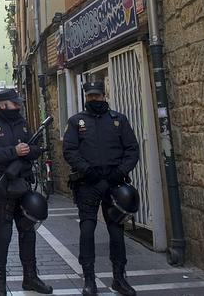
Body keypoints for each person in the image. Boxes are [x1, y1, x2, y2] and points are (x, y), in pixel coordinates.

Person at [63, 81, 140, 296]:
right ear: (86, 97)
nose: (94, 100)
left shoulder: (118, 120)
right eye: (90, 97)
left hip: (115, 183)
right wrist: (88, 171)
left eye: (97, 96)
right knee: (87, 230)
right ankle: (89, 279)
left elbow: (132, 149)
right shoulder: (76, 121)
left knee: (116, 232)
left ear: (105, 96)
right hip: (88, 183)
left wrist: (120, 171)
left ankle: (119, 278)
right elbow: (69, 151)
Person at [0, 89, 53, 296]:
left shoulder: (22, 123)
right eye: (14, 103)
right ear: (2, 104)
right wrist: (14, 152)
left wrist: (29, 151)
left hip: (24, 186)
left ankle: (31, 278)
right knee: (3, 235)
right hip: (3, 189)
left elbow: (36, 148)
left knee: (28, 233)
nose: (18, 106)